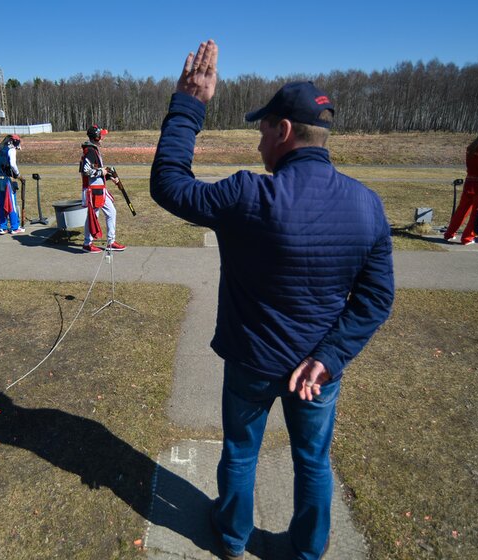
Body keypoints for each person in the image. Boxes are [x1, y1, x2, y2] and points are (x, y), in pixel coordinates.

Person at [150, 40, 395, 560]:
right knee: (313, 460)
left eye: (262, 130)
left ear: (284, 131)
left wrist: (189, 103)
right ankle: (309, 551)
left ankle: (233, 538)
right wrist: (328, 358)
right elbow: (376, 298)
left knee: (241, 452)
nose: (259, 141)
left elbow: (169, 184)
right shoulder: (367, 205)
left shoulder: (247, 195)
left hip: (251, 363)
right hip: (318, 373)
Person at [79, 125, 126, 253]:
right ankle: (87, 243)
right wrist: (102, 171)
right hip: (93, 190)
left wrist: (110, 176)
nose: (103, 138)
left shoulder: (94, 150)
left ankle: (111, 241)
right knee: (93, 216)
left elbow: (99, 172)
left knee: (111, 212)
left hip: (100, 189)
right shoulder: (90, 151)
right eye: (101, 135)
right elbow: (86, 171)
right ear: (96, 136)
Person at [0, 134, 25, 234]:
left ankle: (2, 227)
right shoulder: (11, 149)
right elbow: (12, 164)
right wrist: (19, 175)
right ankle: (15, 227)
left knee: (2, 204)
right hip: (6, 180)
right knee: (11, 204)